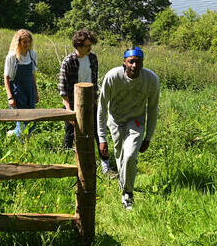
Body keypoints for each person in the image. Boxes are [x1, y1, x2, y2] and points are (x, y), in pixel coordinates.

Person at [98, 46, 160, 210]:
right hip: (116, 121)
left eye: (138, 62)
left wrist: (148, 137)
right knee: (119, 157)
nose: (134, 65)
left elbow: (153, 108)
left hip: (136, 122)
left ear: (142, 63)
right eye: (131, 62)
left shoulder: (151, 79)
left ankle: (128, 195)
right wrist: (102, 138)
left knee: (130, 156)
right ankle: (123, 185)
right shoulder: (112, 77)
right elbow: (102, 107)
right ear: (124, 62)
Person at [58, 29, 113, 173]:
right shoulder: (68, 61)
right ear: (78, 45)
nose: (90, 48)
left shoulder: (93, 58)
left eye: (90, 45)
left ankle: (105, 166)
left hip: (90, 101)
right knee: (70, 133)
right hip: (72, 103)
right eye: (87, 45)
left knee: (97, 131)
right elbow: (63, 88)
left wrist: (95, 100)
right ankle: (66, 165)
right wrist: (69, 110)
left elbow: (94, 80)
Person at [4, 29, 38, 138]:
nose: (27, 45)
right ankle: (22, 145)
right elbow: (6, 77)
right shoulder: (12, 57)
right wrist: (10, 97)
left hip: (30, 91)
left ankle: (12, 134)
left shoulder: (32, 55)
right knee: (22, 121)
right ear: (18, 42)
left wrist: (36, 92)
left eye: (28, 42)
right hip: (18, 92)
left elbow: (33, 75)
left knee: (32, 120)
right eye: (24, 42)